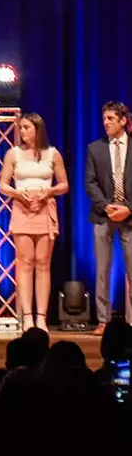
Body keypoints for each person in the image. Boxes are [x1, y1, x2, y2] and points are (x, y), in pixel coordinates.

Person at [0, 113, 68, 331]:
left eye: (27, 127)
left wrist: (48, 191)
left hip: (44, 210)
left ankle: (41, 317)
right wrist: (19, 195)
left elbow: (64, 185)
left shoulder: (53, 154)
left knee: (43, 264)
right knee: (25, 263)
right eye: (21, 127)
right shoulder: (13, 153)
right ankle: (27, 317)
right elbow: (3, 185)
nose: (22, 131)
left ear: (37, 129)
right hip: (22, 209)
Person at [85, 101, 132, 334]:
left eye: (111, 119)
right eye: (104, 119)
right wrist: (107, 206)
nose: (106, 123)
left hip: (130, 215)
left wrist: (128, 208)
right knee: (103, 270)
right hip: (103, 215)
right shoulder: (95, 148)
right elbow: (90, 182)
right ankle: (103, 321)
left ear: (123, 120)